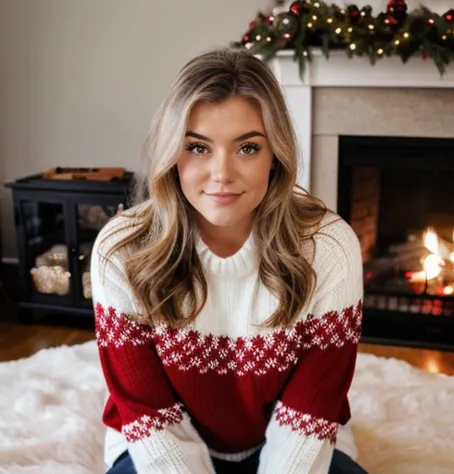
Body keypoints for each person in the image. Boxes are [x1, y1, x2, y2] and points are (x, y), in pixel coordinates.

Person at [92, 47, 367, 474]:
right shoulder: (123, 248)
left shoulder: (328, 246)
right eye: (198, 148)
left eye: (247, 148)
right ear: (171, 154)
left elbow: (310, 411)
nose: (222, 174)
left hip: (297, 441)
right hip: (158, 446)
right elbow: (147, 412)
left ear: (275, 154)